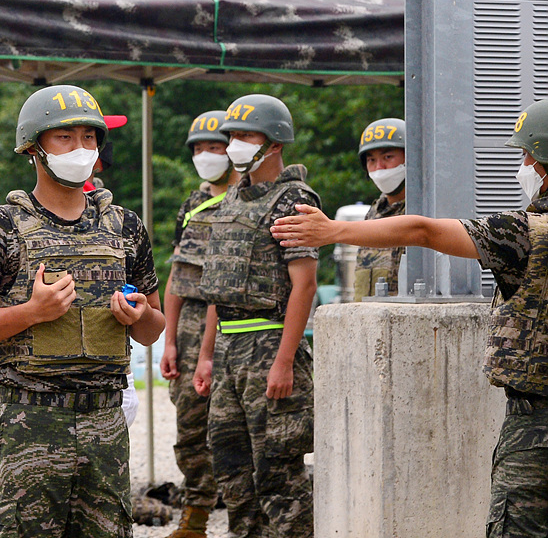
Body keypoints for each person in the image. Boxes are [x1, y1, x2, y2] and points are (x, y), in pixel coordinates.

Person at [270, 99, 548, 538]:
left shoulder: (524, 234)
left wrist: (332, 231)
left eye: (529, 156)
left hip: (537, 426)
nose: (525, 165)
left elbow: (424, 231)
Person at [0, 84, 166, 538]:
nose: (80, 148)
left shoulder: (124, 226)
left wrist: (138, 314)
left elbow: (153, 328)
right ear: (33, 146)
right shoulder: (0, 228)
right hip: (30, 421)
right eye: (65, 137)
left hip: (106, 424)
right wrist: (30, 311)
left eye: (89, 137)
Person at [192, 94, 318, 538]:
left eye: (246, 136)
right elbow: (217, 287)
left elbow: (305, 284)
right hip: (228, 347)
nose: (234, 145)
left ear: (275, 142)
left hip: (270, 344)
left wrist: (285, 360)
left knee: (277, 470)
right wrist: (206, 355)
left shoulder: (293, 199)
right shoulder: (229, 200)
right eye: (232, 136)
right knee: (232, 467)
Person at [159, 109, 240, 538]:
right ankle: (196, 517)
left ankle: (245, 516)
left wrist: (207, 351)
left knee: (231, 429)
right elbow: (177, 274)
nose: (206, 155)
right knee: (189, 426)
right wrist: (168, 341)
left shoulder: (243, 201)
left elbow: (219, 287)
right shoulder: (192, 203)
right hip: (188, 327)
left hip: (227, 326)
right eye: (199, 148)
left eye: (215, 147)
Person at [354, 118, 407, 299]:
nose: (379, 167)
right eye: (371, 160)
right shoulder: (374, 212)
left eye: (387, 157)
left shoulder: (424, 210)